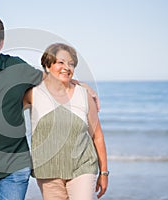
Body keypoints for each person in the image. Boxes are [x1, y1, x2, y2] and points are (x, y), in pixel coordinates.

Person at [0, 13, 100, 200]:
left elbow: (51, 81)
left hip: (15, 166)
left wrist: (80, 85)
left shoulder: (16, 66)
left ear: (1, 43)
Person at [23, 43, 108, 200]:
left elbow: (98, 136)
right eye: (60, 62)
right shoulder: (33, 94)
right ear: (48, 66)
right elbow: (5, 109)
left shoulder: (84, 95)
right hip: (47, 170)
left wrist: (104, 172)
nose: (67, 67)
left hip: (83, 167)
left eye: (71, 64)